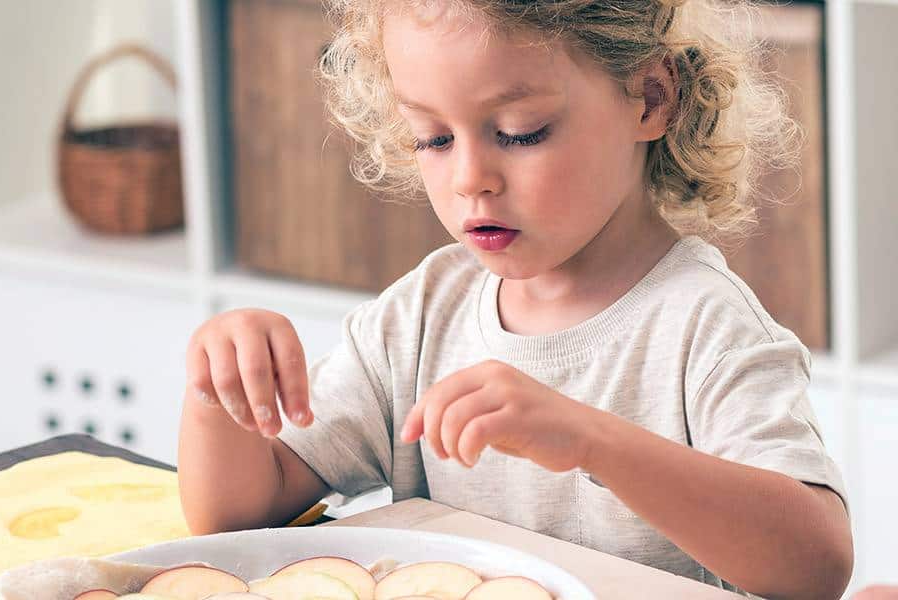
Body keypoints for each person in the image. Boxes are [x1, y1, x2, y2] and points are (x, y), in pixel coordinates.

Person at [178, 0, 853, 597]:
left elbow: (815, 567)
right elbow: (233, 518)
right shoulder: (421, 315)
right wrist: (220, 392)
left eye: (521, 130)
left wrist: (592, 441)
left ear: (650, 98)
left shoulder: (704, 326)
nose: (471, 178)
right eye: (433, 138)